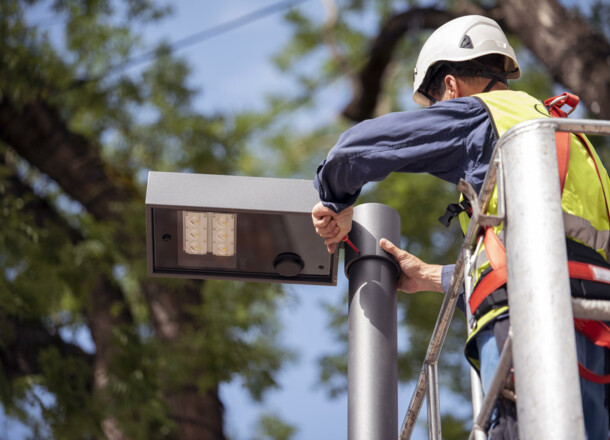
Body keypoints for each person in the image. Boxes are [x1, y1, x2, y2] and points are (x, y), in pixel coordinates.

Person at [311, 15, 610, 440]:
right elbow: (559, 247)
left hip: (526, 313)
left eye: (436, 106)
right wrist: (433, 277)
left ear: (450, 86)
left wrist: (334, 200)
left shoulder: (479, 116)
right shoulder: (571, 144)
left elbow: (355, 149)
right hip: (598, 326)